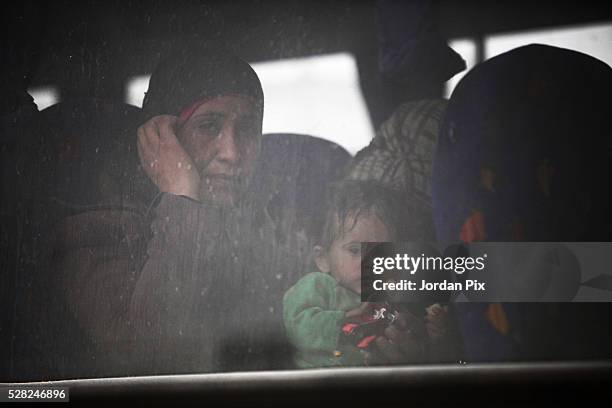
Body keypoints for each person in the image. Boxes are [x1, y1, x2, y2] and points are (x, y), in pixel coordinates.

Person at [283, 181, 453, 368]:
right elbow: (297, 325)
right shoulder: (317, 285)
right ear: (323, 259)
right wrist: (345, 321)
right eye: (355, 250)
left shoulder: (391, 298)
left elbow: (411, 346)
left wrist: (430, 334)